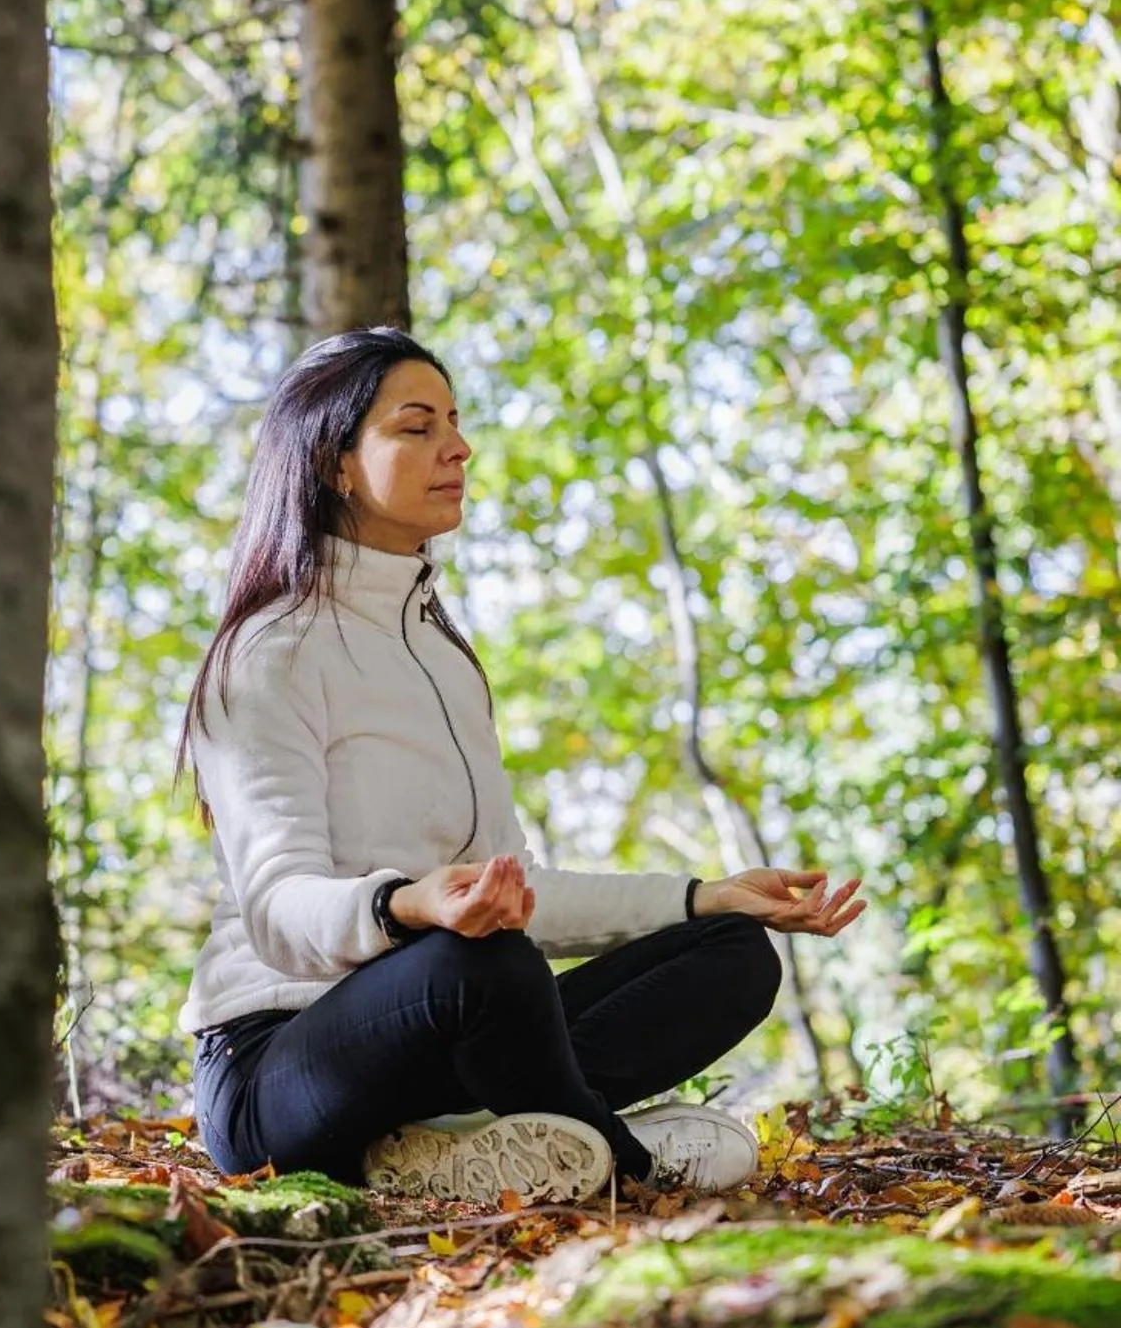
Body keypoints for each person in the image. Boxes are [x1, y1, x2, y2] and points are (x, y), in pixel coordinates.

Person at [177, 327, 864, 1205]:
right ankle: (623, 1160)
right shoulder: (270, 652)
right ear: (334, 464)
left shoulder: (443, 655)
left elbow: (520, 897)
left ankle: (464, 1144)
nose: (457, 448)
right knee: (480, 963)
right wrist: (404, 905)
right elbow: (277, 905)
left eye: (456, 424)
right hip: (278, 1066)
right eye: (415, 427)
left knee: (732, 954)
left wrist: (705, 896)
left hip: (440, 1042)